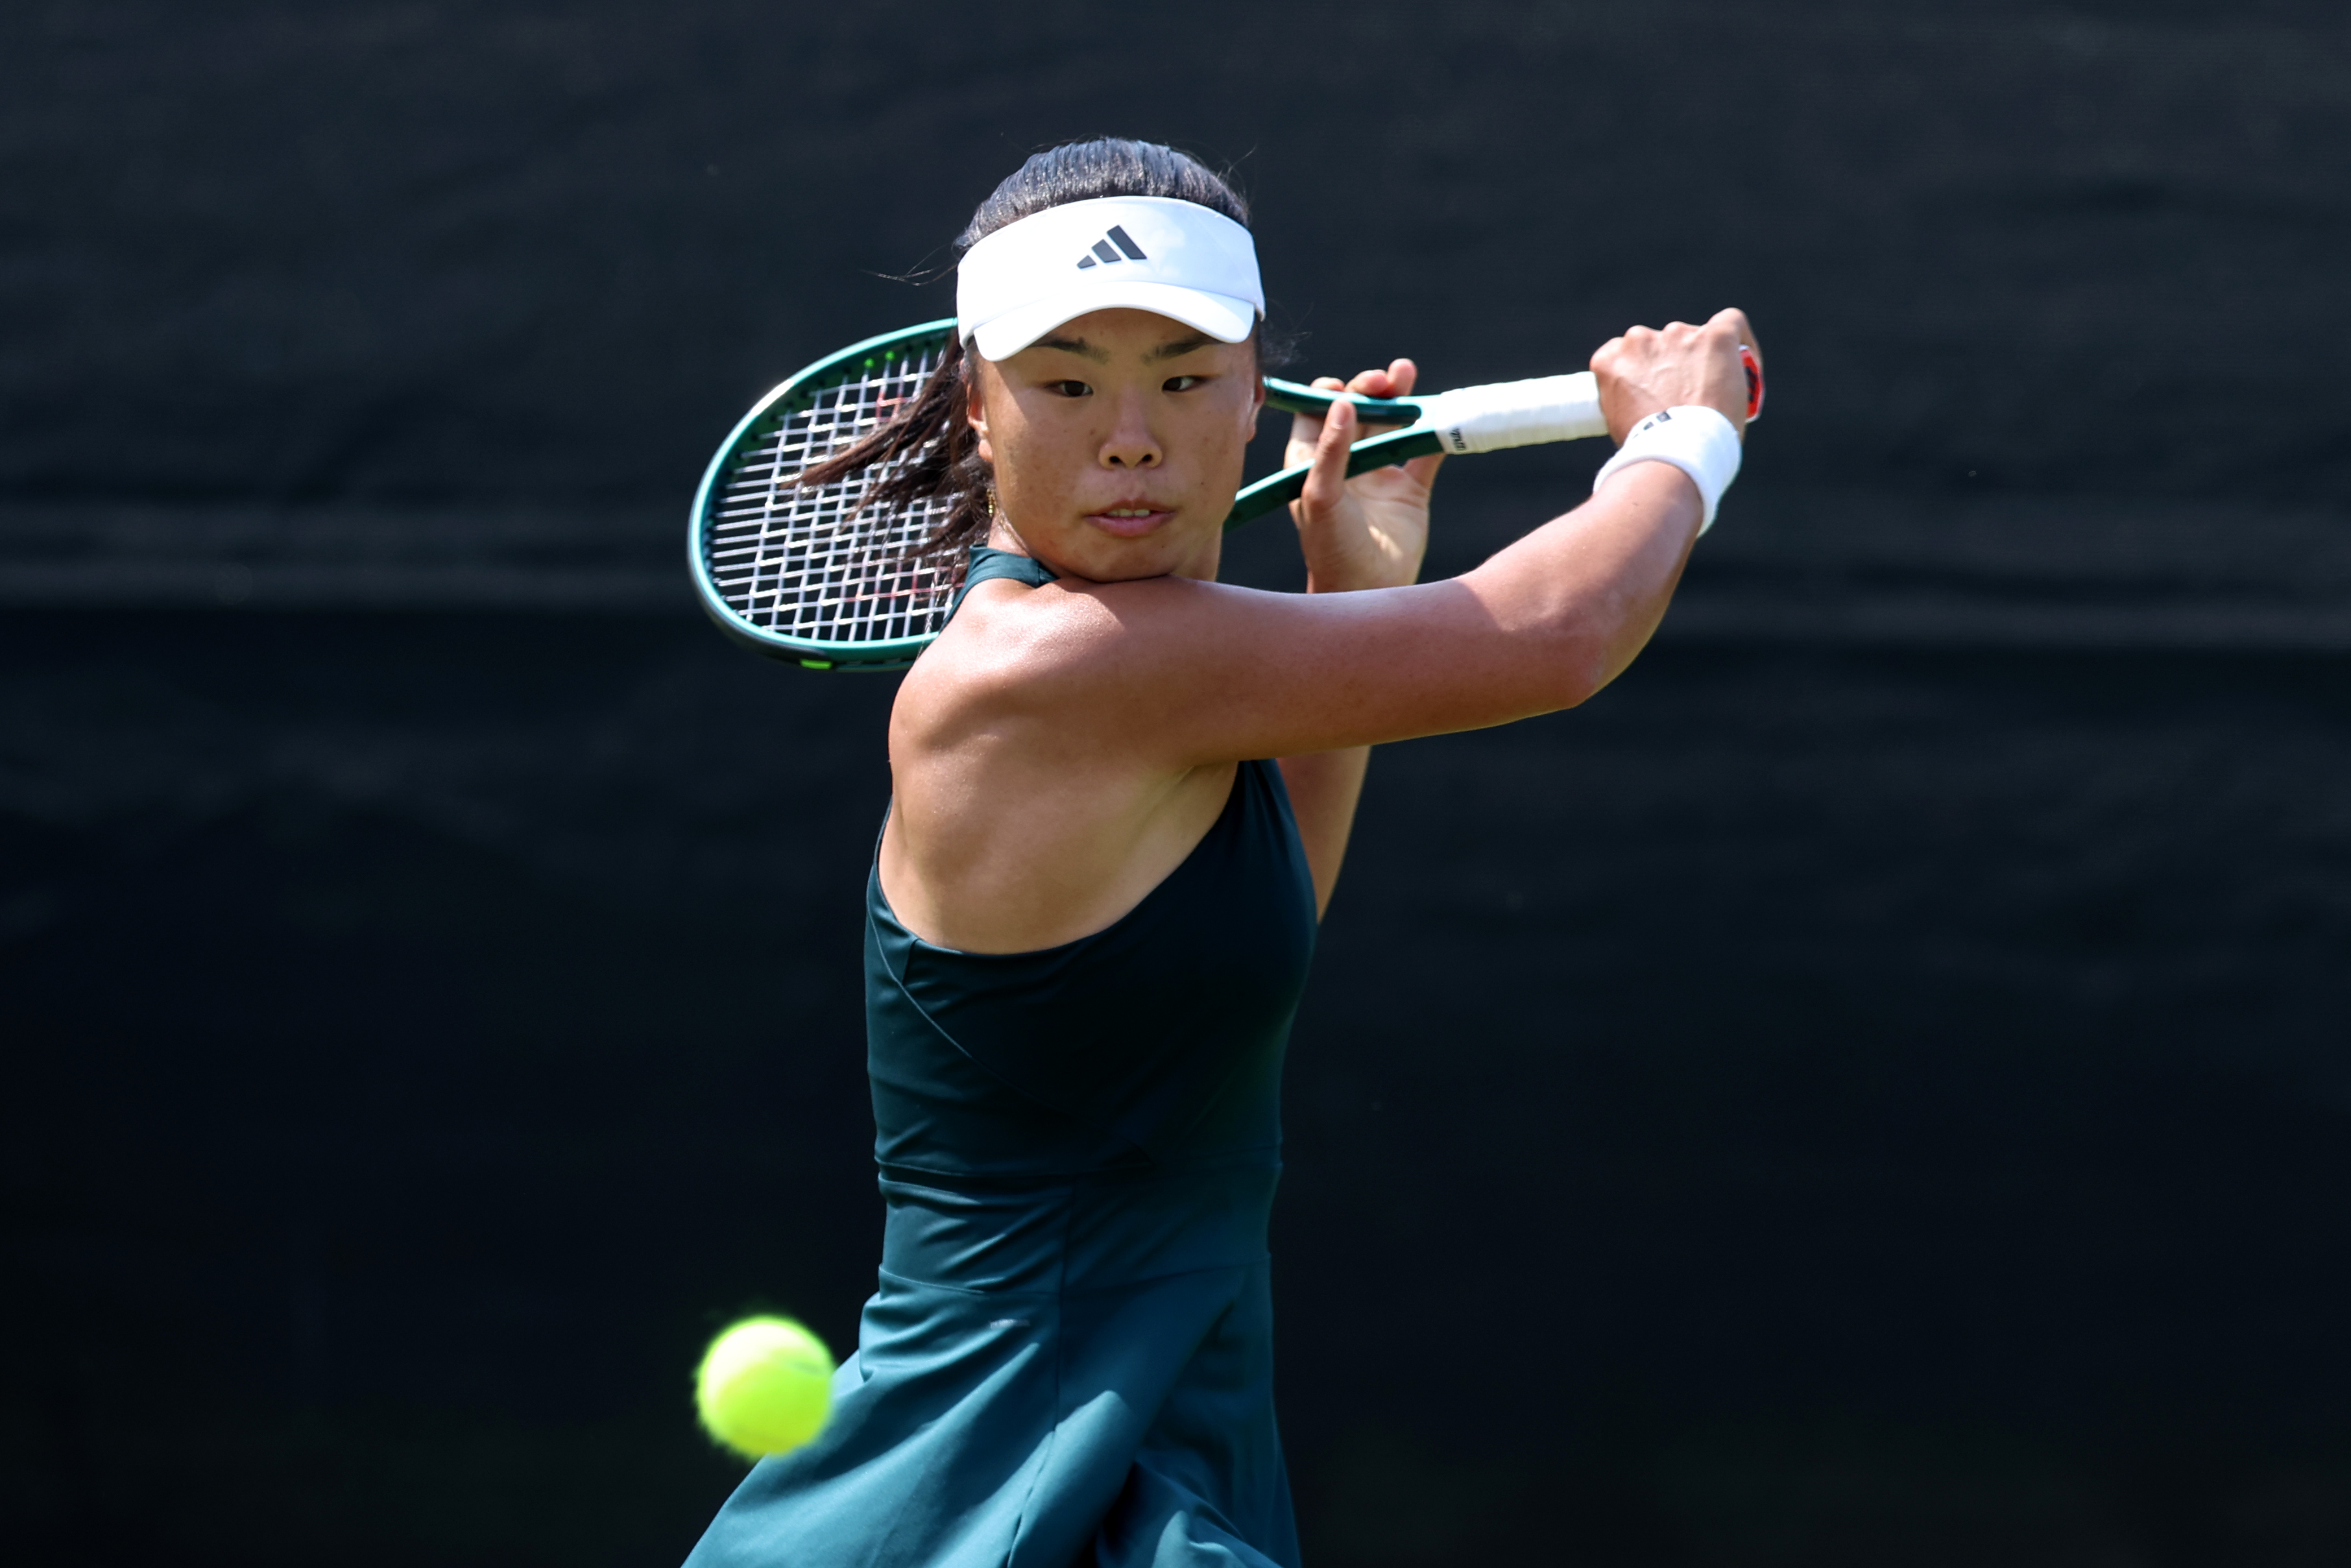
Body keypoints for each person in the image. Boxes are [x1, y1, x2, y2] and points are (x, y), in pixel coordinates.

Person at [685, 137, 1757, 1568]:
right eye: (1068, 383)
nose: (1132, 436)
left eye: (1185, 379)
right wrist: (1681, 438)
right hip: (1001, 1492)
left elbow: (1260, 931)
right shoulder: (1044, 669)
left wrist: (1349, 584)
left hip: (1144, 1462)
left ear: (1258, 394)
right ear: (978, 406)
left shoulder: (1158, 692)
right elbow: (1556, 633)